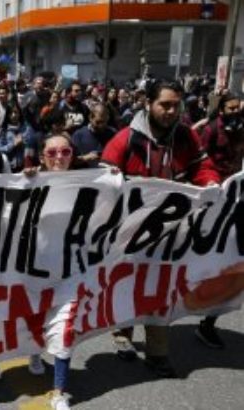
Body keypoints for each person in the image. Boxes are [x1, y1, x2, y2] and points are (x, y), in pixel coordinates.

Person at [101, 80, 221, 378]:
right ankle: (122, 332)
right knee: (127, 285)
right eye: (164, 105)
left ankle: (157, 354)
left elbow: (201, 167)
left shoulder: (186, 136)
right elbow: (102, 184)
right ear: (148, 104)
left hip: (171, 231)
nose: (170, 111)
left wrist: (211, 183)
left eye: (175, 105)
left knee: (160, 289)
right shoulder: (124, 140)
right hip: (129, 233)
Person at [23, 133, 92, 410]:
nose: (59, 158)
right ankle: (34, 353)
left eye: (65, 152)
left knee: (66, 330)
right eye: (51, 153)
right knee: (36, 323)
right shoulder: (30, 182)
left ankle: (60, 392)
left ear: (73, 155)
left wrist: (112, 180)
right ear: (42, 157)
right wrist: (26, 182)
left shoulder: (89, 183)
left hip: (71, 271)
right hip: (34, 272)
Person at [195, 93, 244, 348]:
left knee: (231, 261)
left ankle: (209, 323)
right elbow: (200, 161)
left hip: (236, 197)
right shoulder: (211, 130)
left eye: (238, 107)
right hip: (213, 195)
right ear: (222, 109)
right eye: (231, 108)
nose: (236, 112)